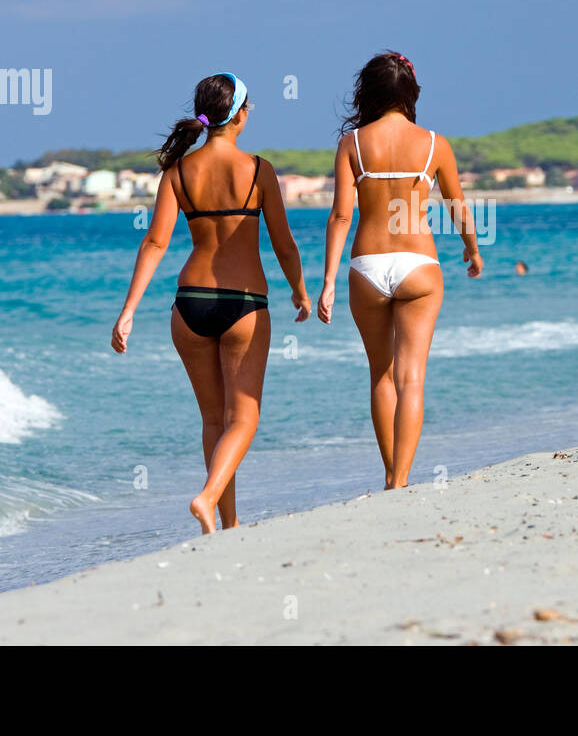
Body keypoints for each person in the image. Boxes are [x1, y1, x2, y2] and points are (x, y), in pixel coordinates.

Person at [111, 73, 310, 534]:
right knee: (244, 418)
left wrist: (129, 310)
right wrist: (300, 289)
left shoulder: (178, 171)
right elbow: (283, 243)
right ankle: (206, 497)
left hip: (189, 305)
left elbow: (155, 244)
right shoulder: (259, 170)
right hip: (243, 303)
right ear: (239, 115)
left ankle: (227, 522)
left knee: (213, 420)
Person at [318, 52, 482, 490]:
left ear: (367, 93)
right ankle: (400, 482)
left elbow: (340, 217)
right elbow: (457, 206)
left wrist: (329, 280)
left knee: (381, 374)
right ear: (410, 92)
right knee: (411, 377)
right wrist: (472, 249)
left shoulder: (352, 144)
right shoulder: (434, 144)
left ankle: (390, 473)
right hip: (418, 265)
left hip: (366, 268)